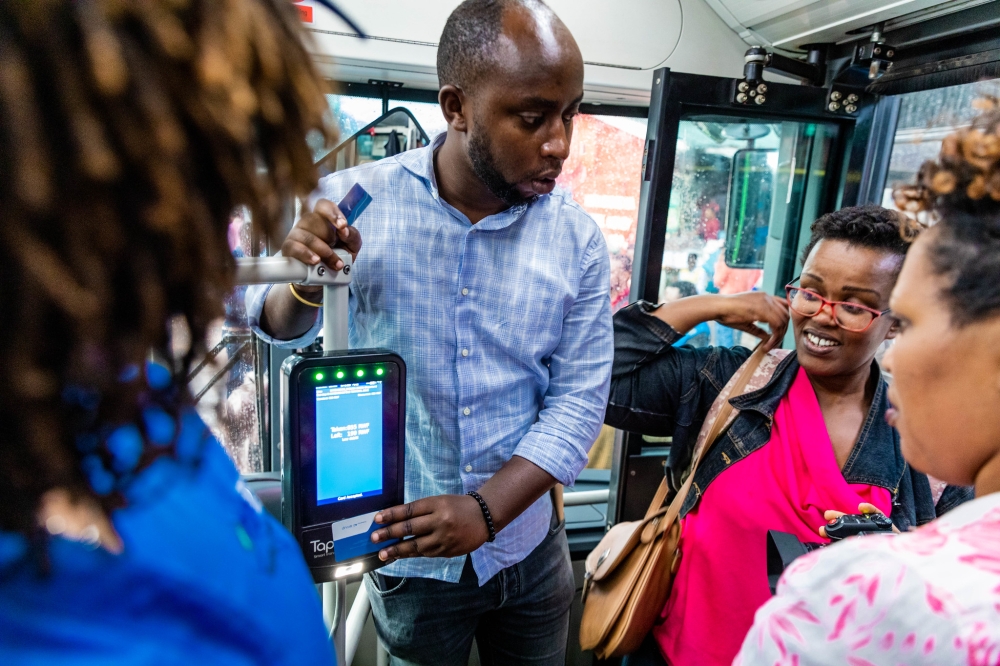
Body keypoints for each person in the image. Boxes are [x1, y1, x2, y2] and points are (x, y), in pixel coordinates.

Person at [245, 1, 613, 664]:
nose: (558, 143)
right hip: (408, 556)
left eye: (570, 115)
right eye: (532, 118)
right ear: (457, 107)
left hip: (529, 547)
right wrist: (302, 279)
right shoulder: (355, 202)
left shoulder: (577, 240)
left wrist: (487, 510)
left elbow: (579, 400)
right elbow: (277, 328)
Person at [0, 0, 336, 662]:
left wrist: (303, 279)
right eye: (188, 193)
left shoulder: (133, 395)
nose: (208, 256)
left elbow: (267, 319)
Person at [606, 205, 972, 666]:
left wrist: (897, 559)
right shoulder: (730, 382)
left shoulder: (929, 444)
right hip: (678, 653)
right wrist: (711, 306)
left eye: (854, 306)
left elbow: (960, 596)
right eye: (811, 293)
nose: (822, 316)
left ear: (895, 321)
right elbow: (601, 377)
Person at [735, 103, 1000, 665]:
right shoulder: (733, 381)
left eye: (904, 324)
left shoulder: (854, 596)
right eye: (811, 292)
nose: (894, 358)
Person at [663, 281, 710, 348]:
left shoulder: (698, 329)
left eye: (668, 301)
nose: (663, 304)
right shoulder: (672, 318)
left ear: (682, 296)